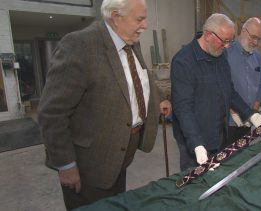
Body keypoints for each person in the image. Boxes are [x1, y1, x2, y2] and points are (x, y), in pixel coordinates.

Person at [38, 0, 171, 209]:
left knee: (114, 204)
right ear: (116, 17)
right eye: (140, 19)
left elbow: (139, 77)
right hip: (90, 164)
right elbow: (52, 112)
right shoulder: (80, 44)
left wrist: (160, 96)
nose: (145, 25)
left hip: (121, 154)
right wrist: (66, 165)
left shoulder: (130, 43)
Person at [171, 13, 261, 171]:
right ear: (208, 35)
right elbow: (183, 108)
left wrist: (251, 114)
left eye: (230, 41)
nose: (228, 46)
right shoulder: (184, 61)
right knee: (195, 183)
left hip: (218, 134)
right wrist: (196, 144)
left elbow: (229, 91)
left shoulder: (220, 55)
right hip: (195, 139)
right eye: (224, 41)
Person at [223, 17, 261, 148]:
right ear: (243, 31)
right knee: (226, 157)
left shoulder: (258, 57)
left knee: (243, 155)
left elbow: (260, 86)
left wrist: (253, 111)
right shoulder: (226, 53)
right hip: (229, 121)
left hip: (248, 120)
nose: (255, 42)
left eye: (259, 39)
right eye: (253, 37)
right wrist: (232, 110)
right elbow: (221, 86)